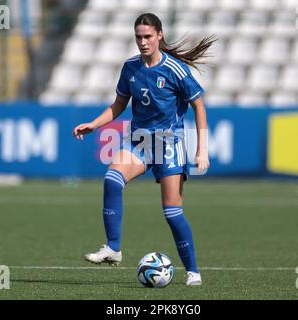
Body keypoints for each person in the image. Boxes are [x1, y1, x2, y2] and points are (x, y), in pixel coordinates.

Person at [73, 13, 215, 286]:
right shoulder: (130, 68)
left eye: (148, 36)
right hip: (139, 139)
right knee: (112, 180)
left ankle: (193, 271)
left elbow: (199, 105)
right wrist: (94, 124)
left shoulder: (175, 70)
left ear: (159, 35)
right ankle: (113, 248)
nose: (142, 42)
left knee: (172, 213)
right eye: (138, 36)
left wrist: (202, 149)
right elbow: (119, 105)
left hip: (169, 143)